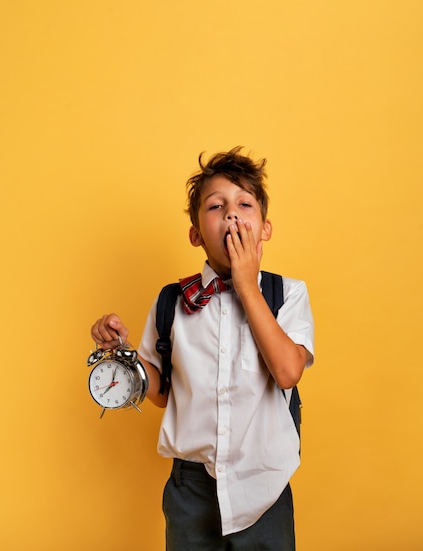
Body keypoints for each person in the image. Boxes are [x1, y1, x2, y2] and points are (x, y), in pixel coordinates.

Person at [91, 146, 314, 550]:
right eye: (216, 206)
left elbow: (287, 372)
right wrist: (121, 358)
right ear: (195, 233)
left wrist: (248, 284)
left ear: (264, 228)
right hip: (190, 487)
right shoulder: (171, 302)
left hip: (263, 481)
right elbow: (160, 394)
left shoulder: (288, 294)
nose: (231, 214)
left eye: (244, 204)